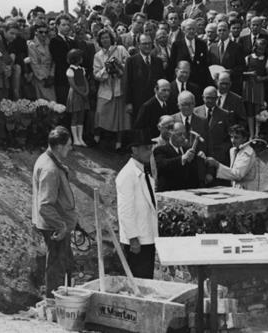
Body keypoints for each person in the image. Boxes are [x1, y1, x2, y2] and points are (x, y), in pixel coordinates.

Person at [32, 126, 77, 299]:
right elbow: (45, 205)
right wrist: (62, 225)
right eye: (68, 145)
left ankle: (58, 301)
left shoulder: (49, 160)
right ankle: (54, 303)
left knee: (63, 263)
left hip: (57, 223)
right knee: (57, 267)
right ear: (59, 146)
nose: (70, 148)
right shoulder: (49, 169)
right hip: (54, 227)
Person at [116, 130, 159, 279]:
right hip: (137, 241)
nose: (150, 152)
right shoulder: (127, 175)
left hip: (148, 235)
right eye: (146, 148)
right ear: (134, 150)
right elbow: (125, 210)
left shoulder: (144, 171)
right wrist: (133, 239)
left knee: (147, 277)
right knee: (139, 280)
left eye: (151, 148)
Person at [93, 29, 130, 150]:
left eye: (107, 37)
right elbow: (96, 75)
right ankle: (96, 137)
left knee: (120, 117)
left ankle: (118, 143)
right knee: (100, 112)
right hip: (105, 89)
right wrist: (106, 69)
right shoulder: (98, 55)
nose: (105, 40)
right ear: (99, 40)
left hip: (120, 88)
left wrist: (118, 65)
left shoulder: (120, 49)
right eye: (102, 38)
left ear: (111, 38)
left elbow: (129, 65)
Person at [125, 33, 165, 121]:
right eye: (144, 44)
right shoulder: (131, 61)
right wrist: (128, 102)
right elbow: (128, 82)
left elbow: (162, 82)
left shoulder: (158, 61)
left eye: (149, 43)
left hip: (155, 102)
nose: (147, 46)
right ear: (139, 45)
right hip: (138, 103)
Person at [204, 125, 257, 190]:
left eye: (236, 138)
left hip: (248, 190)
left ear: (244, 138)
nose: (233, 140)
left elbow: (238, 175)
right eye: (231, 137)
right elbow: (232, 172)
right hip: (236, 188)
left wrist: (216, 164)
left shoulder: (248, 152)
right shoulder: (233, 150)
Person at [169, 18, 213, 91]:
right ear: (183, 30)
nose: (192, 31)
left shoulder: (202, 44)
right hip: (183, 83)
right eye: (189, 29)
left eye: (193, 29)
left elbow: (205, 65)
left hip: (199, 84)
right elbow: (172, 65)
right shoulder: (177, 45)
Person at [154, 122, 199, 191]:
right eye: (180, 134)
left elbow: (194, 174)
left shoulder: (187, 150)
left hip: (187, 192)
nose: (183, 137)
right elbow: (163, 165)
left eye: (184, 134)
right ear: (170, 134)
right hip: (168, 191)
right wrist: (182, 158)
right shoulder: (160, 150)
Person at [243, 38, 268, 139]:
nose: (261, 51)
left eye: (263, 50)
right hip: (248, 86)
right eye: (259, 49)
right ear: (255, 47)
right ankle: (251, 134)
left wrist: (261, 78)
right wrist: (249, 73)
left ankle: (257, 133)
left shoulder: (266, 59)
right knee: (249, 110)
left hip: (259, 87)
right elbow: (242, 72)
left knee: (257, 110)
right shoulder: (248, 58)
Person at [208, 21, 246, 94]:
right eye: (219, 30)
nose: (222, 32)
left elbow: (242, 66)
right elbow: (208, 64)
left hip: (232, 85)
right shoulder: (212, 47)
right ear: (216, 31)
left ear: (229, 31)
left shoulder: (237, 47)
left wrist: (231, 71)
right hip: (216, 84)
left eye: (224, 30)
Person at [49, 14, 78, 105]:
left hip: (75, 77)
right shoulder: (54, 41)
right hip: (62, 78)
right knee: (64, 104)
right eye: (63, 25)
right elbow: (59, 59)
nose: (66, 27)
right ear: (57, 26)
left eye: (68, 25)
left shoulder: (72, 41)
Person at [66, 49, 89, 147]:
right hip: (76, 94)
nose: (82, 59)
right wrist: (82, 93)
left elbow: (85, 81)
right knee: (75, 116)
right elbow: (73, 85)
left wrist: (87, 91)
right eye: (80, 57)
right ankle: (75, 138)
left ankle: (80, 138)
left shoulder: (81, 69)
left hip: (83, 93)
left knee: (81, 116)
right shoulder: (70, 70)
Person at [28, 22, 56, 101]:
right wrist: (43, 78)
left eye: (46, 32)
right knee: (43, 103)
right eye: (41, 32)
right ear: (36, 32)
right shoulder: (32, 45)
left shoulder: (49, 43)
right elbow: (34, 64)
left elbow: (54, 60)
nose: (44, 34)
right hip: (40, 78)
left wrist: (51, 75)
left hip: (50, 76)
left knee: (53, 102)